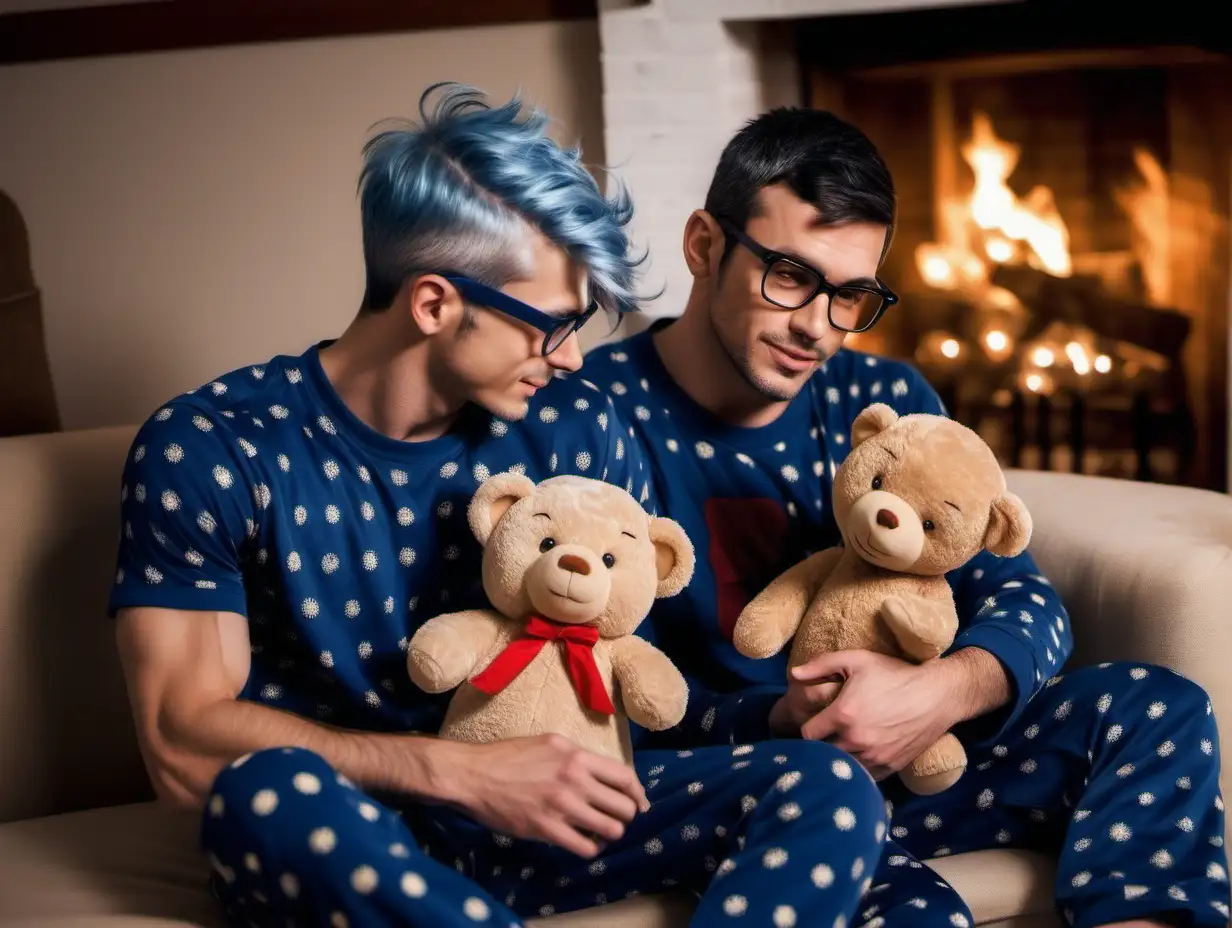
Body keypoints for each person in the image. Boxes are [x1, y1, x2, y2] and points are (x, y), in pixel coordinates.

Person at [108, 83, 891, 928]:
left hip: (559, 816)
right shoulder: (214, 446)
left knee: (825, 786)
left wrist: (776, 712)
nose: (571, 358)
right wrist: (456, 774)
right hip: (354, 833)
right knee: (262, 794)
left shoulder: (577, 424)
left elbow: (635, 685)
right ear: (436, 303)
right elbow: (183, 749)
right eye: (551, 325)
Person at [583, 106, 1231, 928]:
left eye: (852, 294)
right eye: (789, 275)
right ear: (705, 245)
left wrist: (939, 694)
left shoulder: (884, 401)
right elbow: (589, 688)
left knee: (1157, 708)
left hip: (919, 763)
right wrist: (778, 719)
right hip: (743, 795)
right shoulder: (594, 416)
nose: (819, 326)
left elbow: (1023, 598)